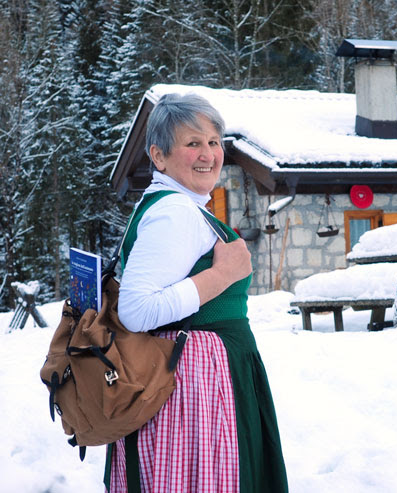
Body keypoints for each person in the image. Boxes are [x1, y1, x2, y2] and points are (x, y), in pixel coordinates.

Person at [105, 92, 288, 492]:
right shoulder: (174, 211)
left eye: (213, 142)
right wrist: (222, 275)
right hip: (194, 387)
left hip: (198, 378)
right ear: (159, 156)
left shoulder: (176, 205)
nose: (208, 154)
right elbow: (136, 310)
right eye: (192, 144)